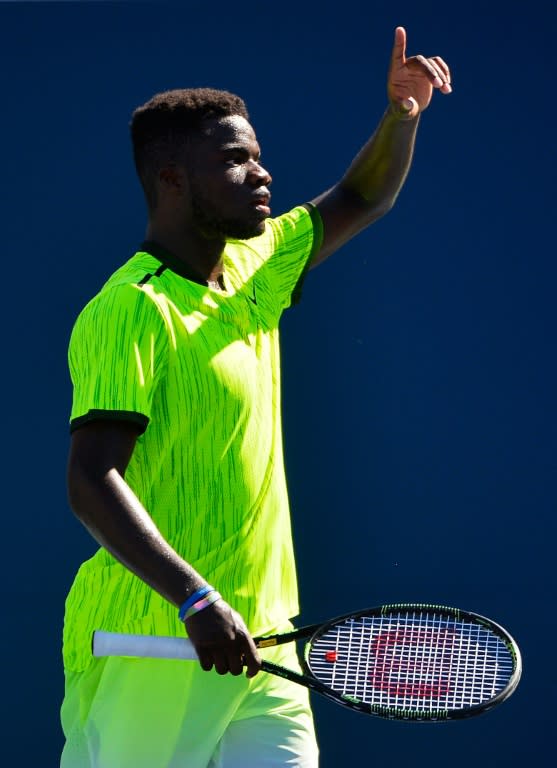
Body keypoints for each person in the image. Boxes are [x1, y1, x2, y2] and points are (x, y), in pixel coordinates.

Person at [60, 26, 452, 768]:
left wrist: (401, 114)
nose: (261, 173)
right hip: (151, 644)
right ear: (172, 180)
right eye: (234, 161)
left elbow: (361, 195)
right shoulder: (129, 309)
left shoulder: (257, 266)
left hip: (264, 643)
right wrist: (194, 598)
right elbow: (91, 478)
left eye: (258, 155)